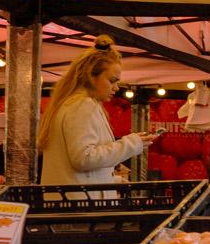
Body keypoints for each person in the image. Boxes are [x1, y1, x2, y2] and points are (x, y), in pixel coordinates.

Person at [39, 45, 154, 185]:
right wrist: (132, 143)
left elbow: (75, 166)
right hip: (81, 203)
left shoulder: (70, 103)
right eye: (112, 80)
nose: (116, 88)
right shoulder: (82, 105)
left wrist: (111, 180)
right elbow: (84, 158)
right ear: (90, 77)